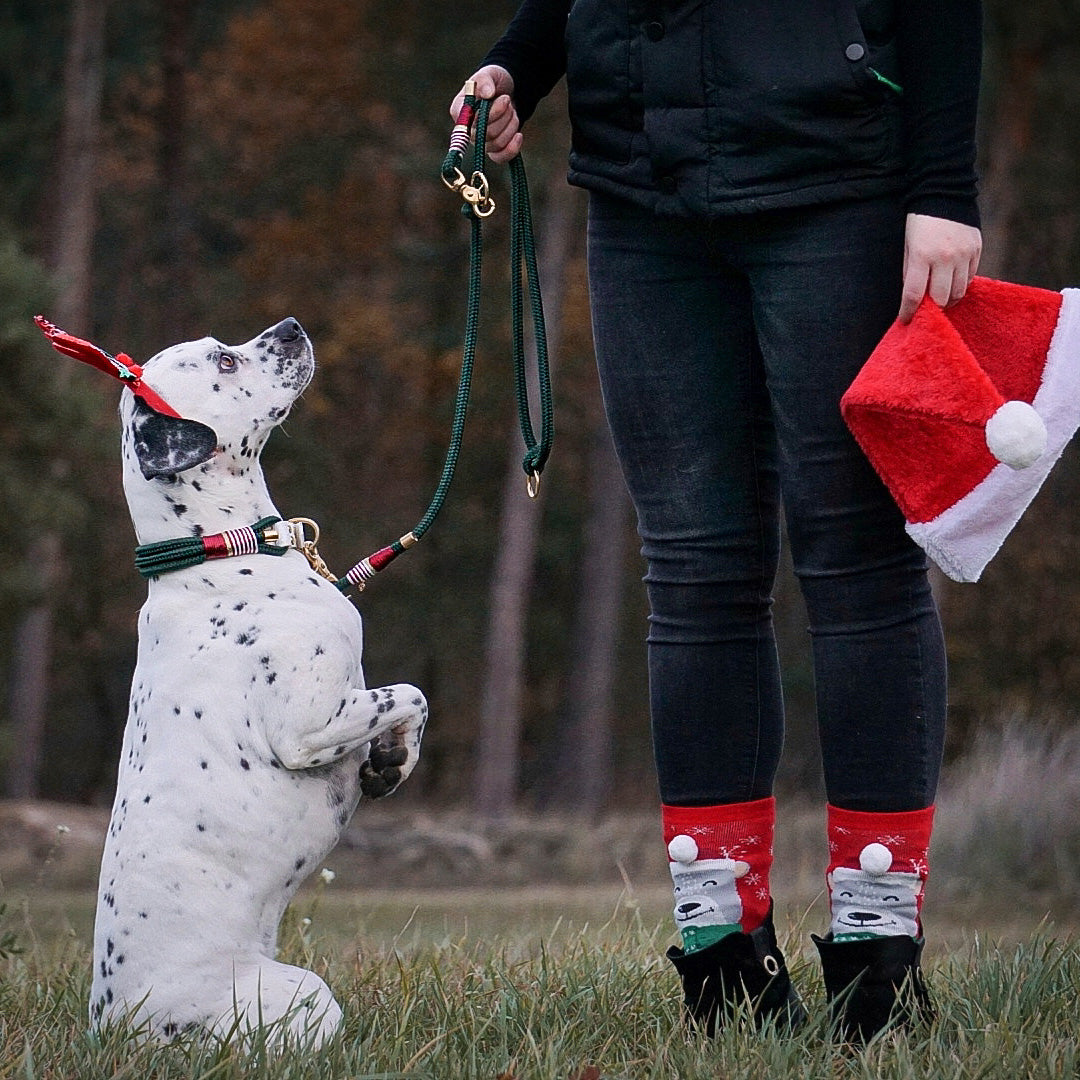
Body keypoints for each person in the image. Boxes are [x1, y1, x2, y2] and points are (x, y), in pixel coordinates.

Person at [453, 0, 982, 1041]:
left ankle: (878, 973)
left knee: (860, 564)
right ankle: (723, 968)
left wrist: (943, 189)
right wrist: (516, 62)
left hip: (838, 176)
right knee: (693, 574)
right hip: (639, 187)